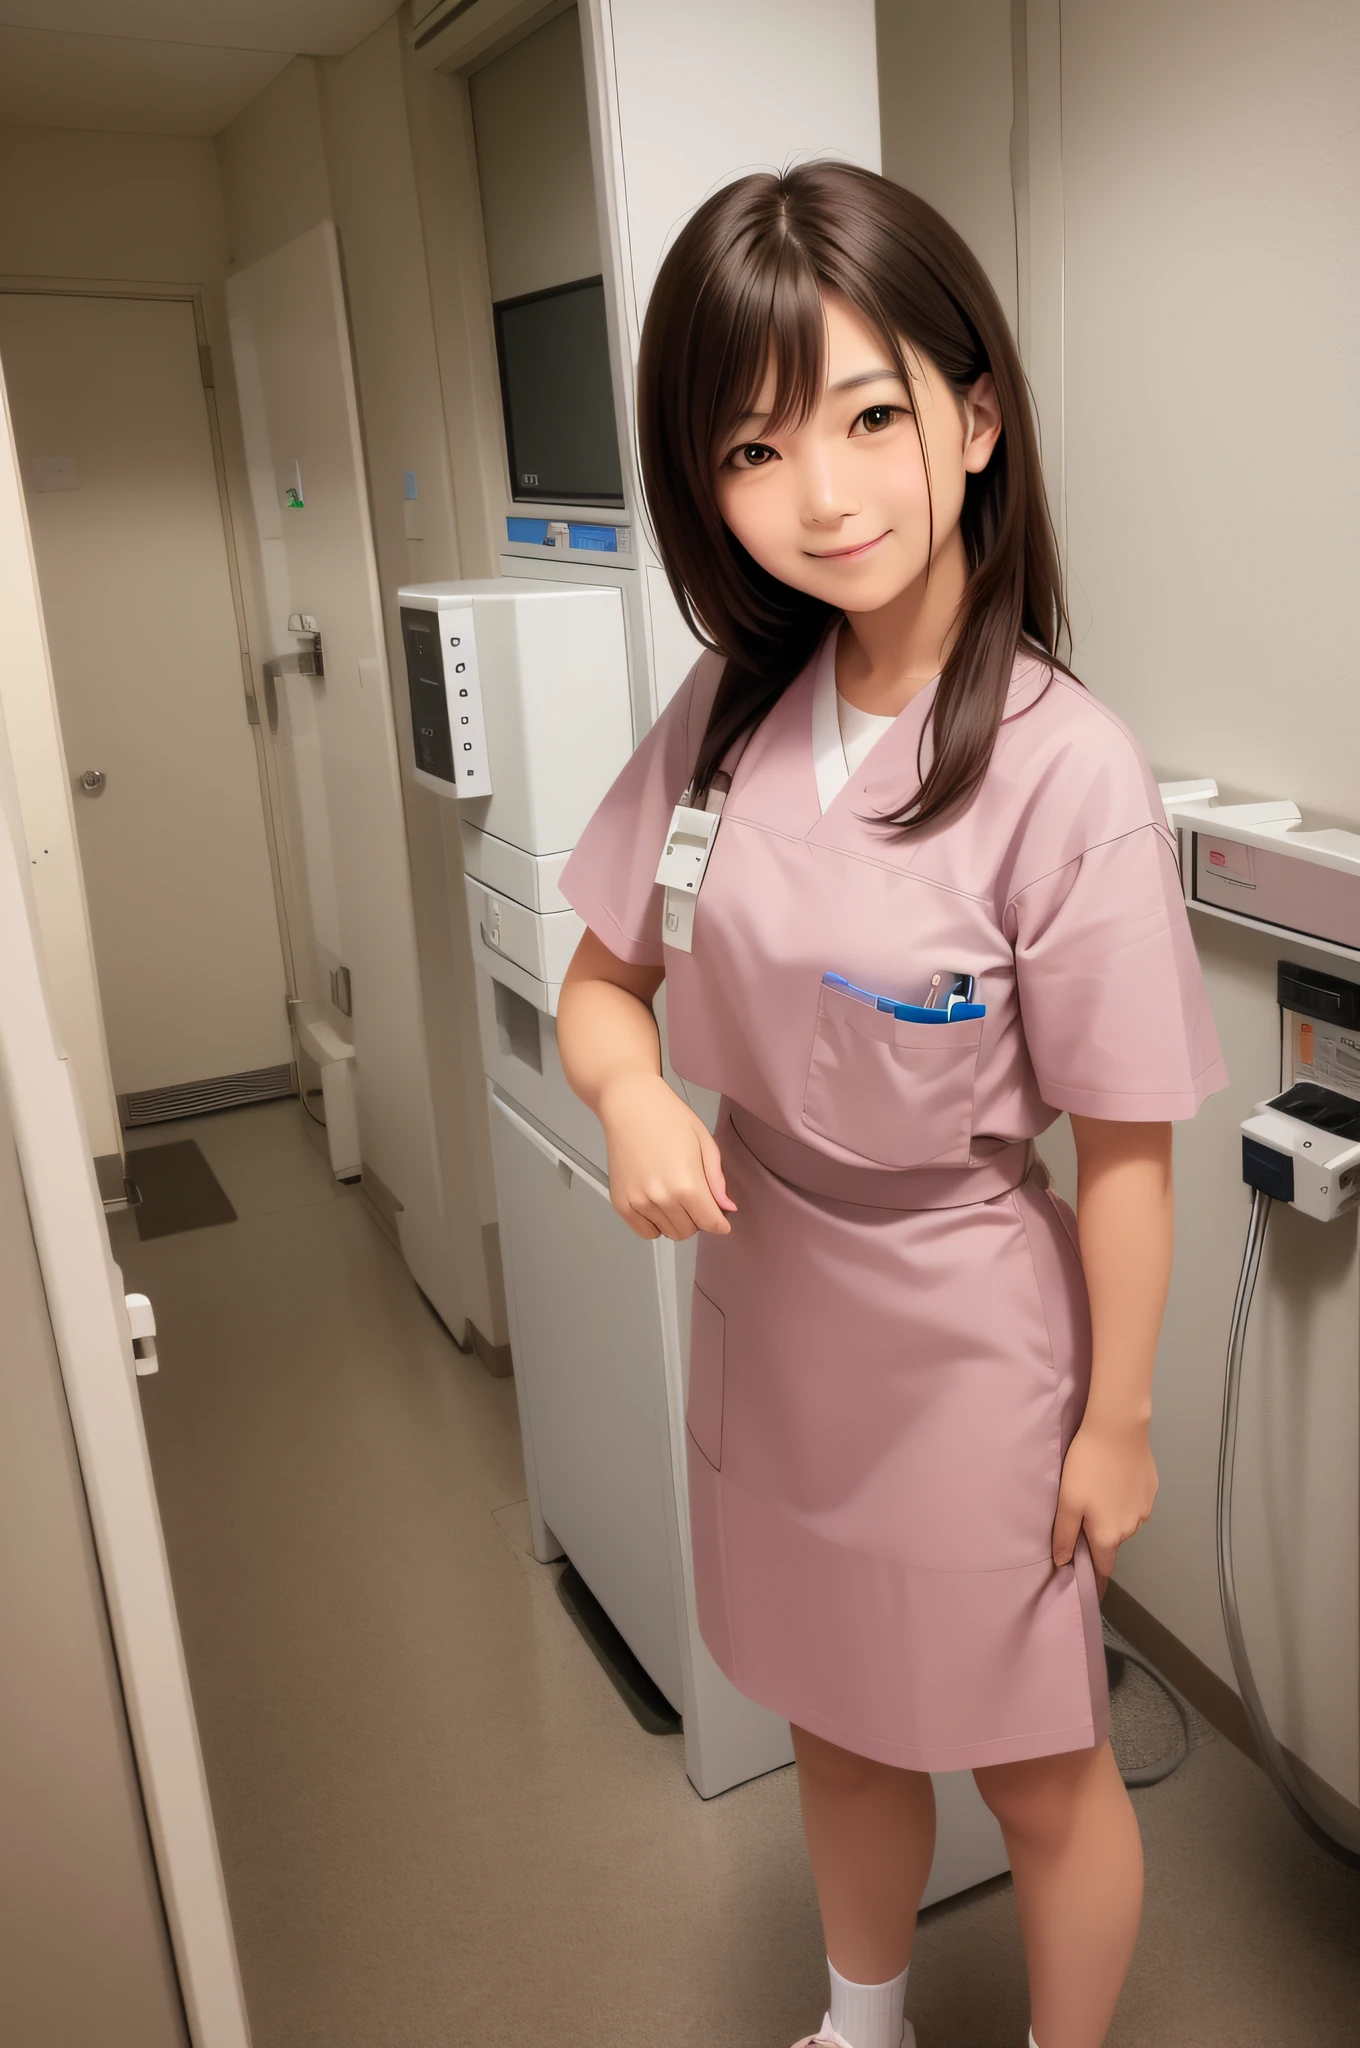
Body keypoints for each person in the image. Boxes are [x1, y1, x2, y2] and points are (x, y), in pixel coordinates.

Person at [554, 160, 1227, 2048]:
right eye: (756, 451)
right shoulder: (722, 713)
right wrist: (627, 1102)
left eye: (870, 417)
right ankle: (865, 2020)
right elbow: (600, 985)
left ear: (977, 413)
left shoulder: (1063, 771)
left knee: (1037, 1765)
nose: (824, 495)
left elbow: (1123, 1154)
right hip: (774, 1313)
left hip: (969, 1342)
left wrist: (1116, 1421)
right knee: (836, 1722)